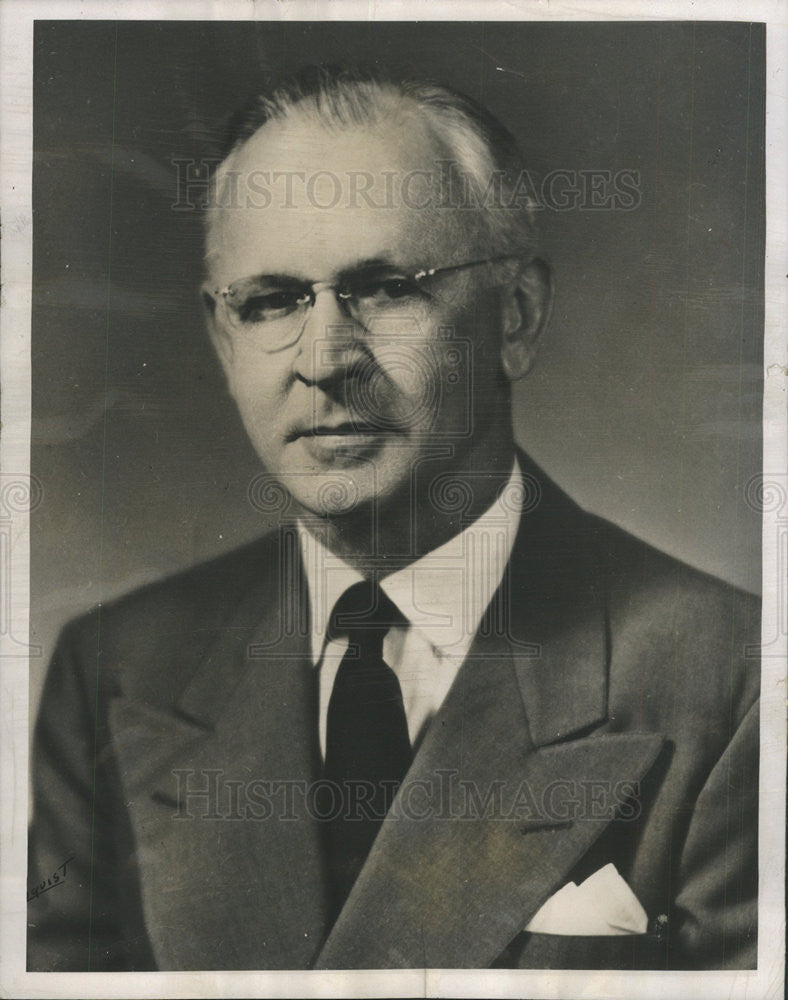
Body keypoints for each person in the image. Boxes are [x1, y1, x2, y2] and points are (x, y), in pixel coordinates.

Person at [27, 66, 759, 972]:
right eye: (271, 301)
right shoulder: (115, 671)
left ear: (516, 318)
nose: (326, 359)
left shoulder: (738, 689)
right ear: (224, 341)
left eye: (384, 288)